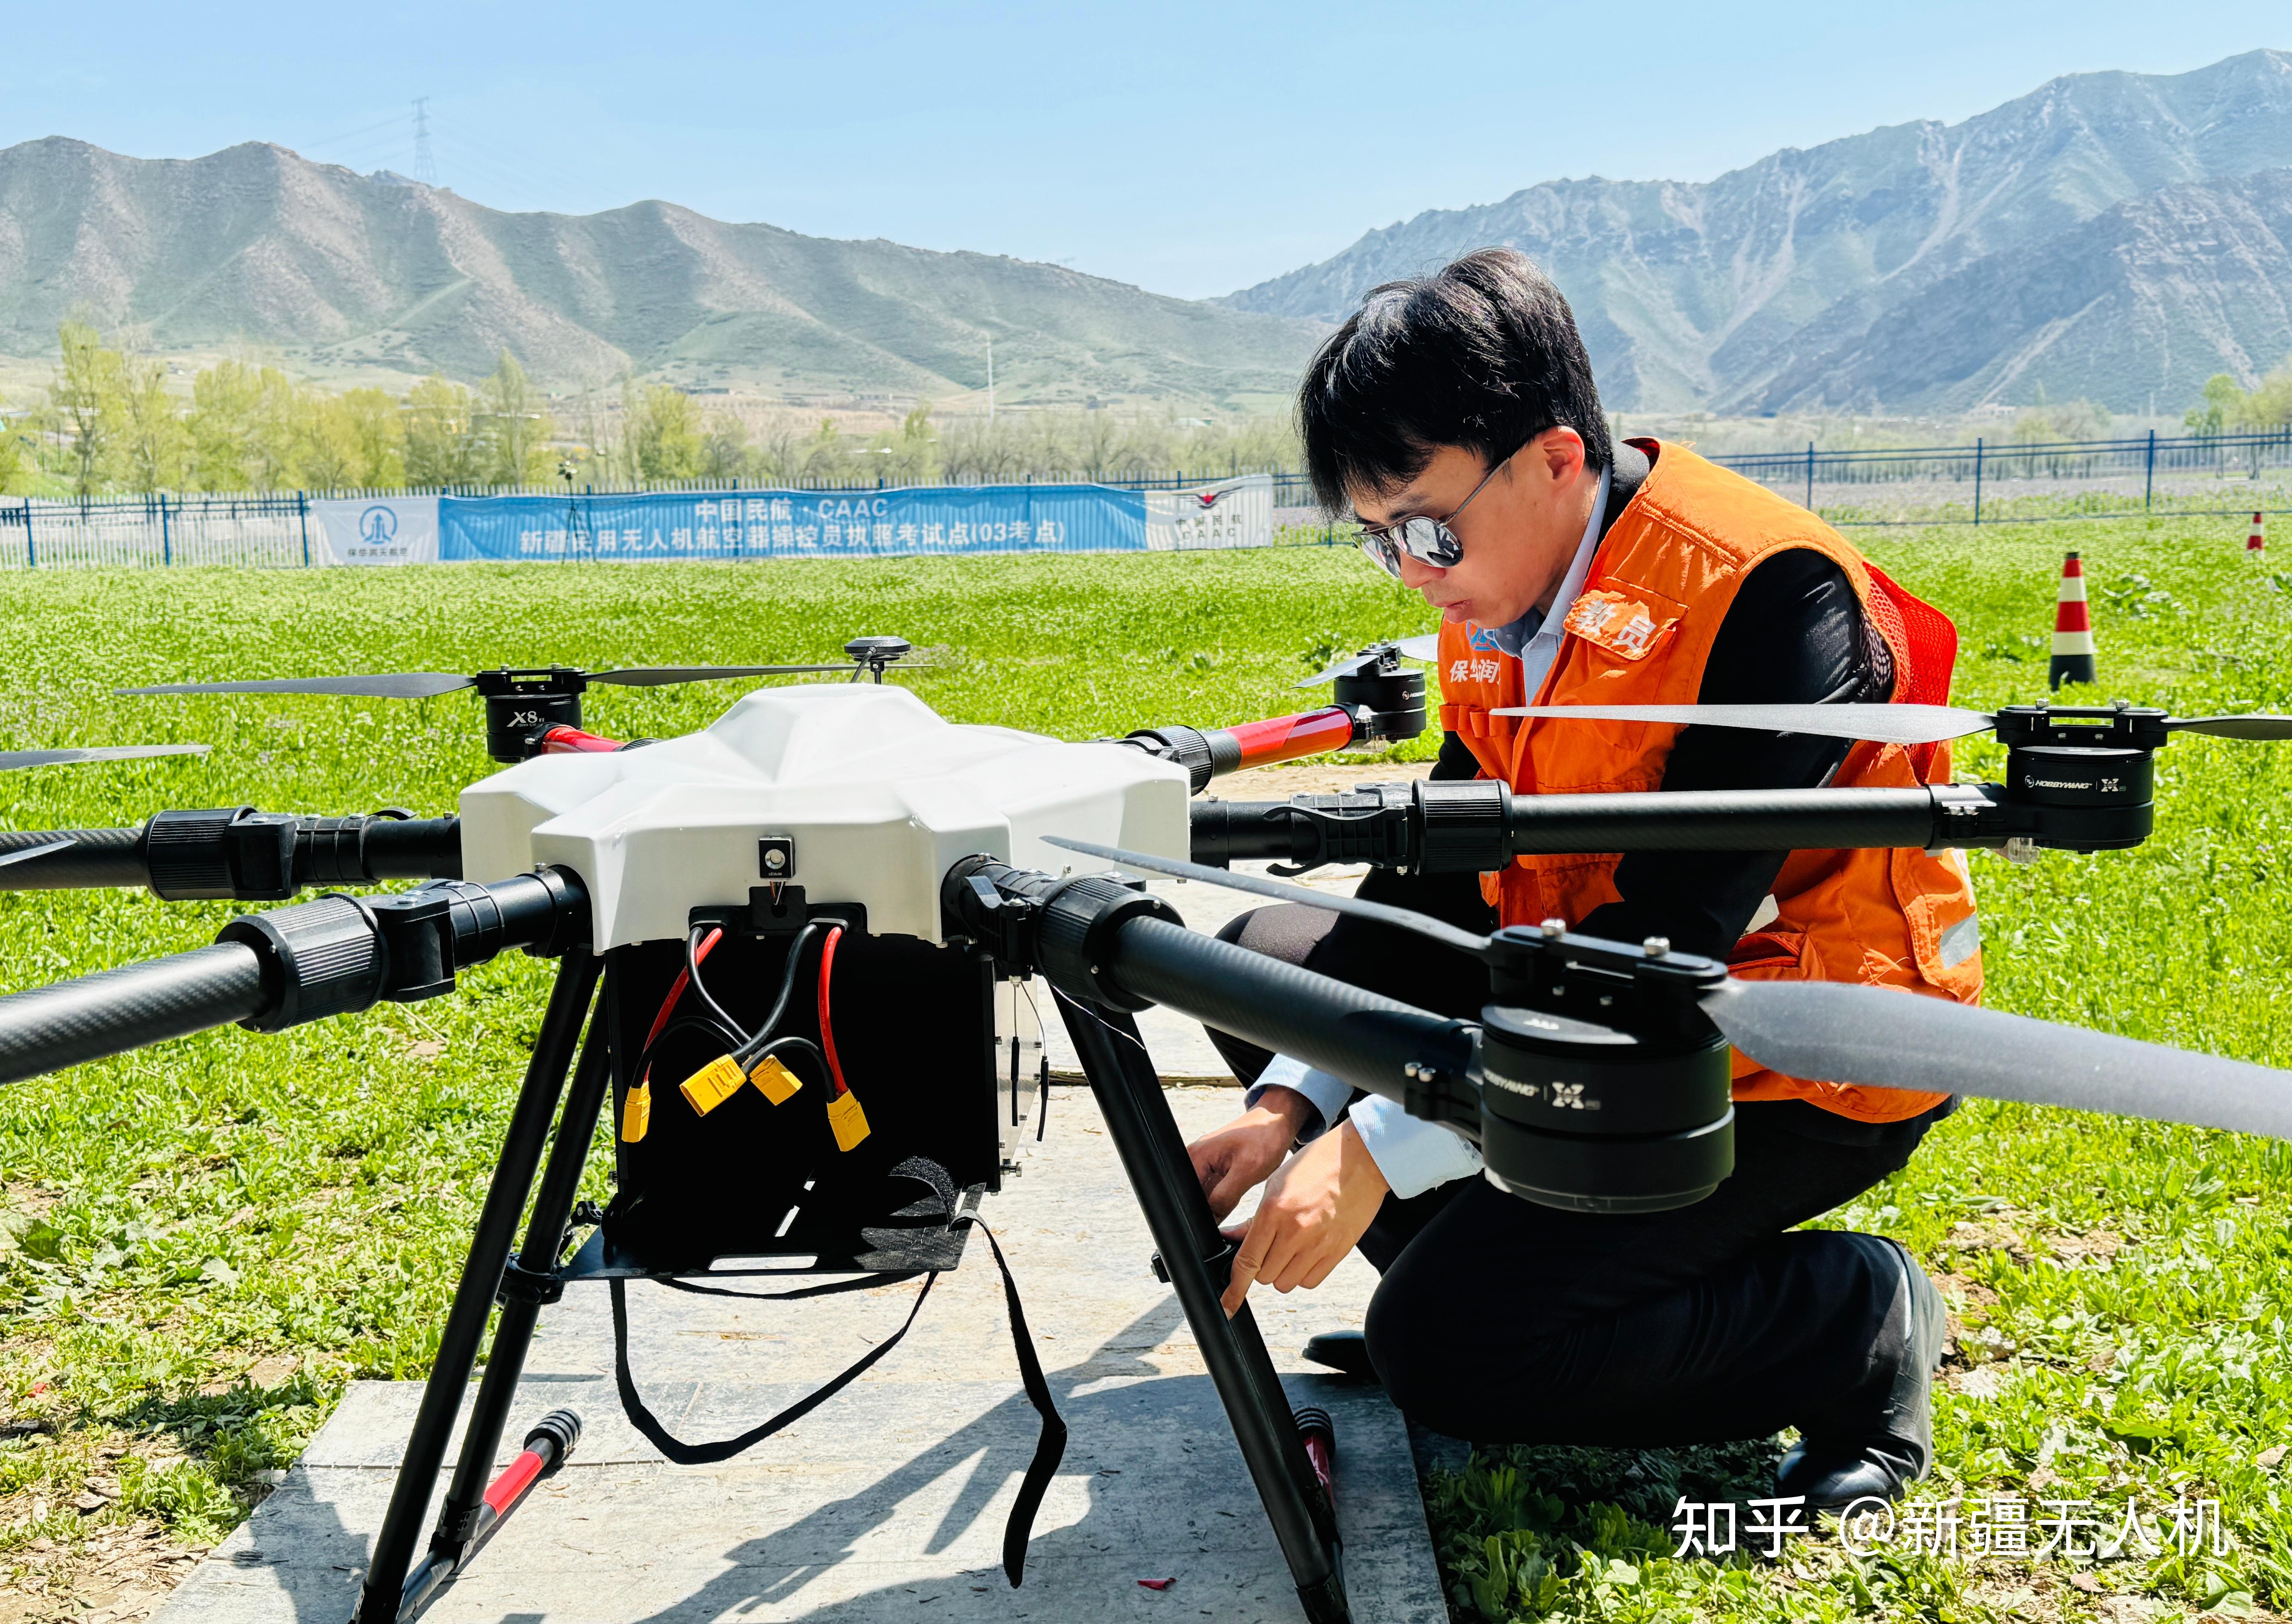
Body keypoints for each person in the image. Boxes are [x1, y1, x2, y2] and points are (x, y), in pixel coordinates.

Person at [1186, 248, 1980, 1510]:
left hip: (1787, 1053)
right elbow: (1441, 885)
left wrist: (1381, 1148)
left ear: (1557, 457)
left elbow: (1669, 947)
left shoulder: (1776, 594)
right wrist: (1295, 1103)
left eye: (1430, 527)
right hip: (1586, 1007)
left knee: (1450, 1349)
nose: (1414, 571)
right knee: (1265, 968)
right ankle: (1511, 1288)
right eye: (1379, 539)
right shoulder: (1498, 592)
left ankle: (1858, 1321)